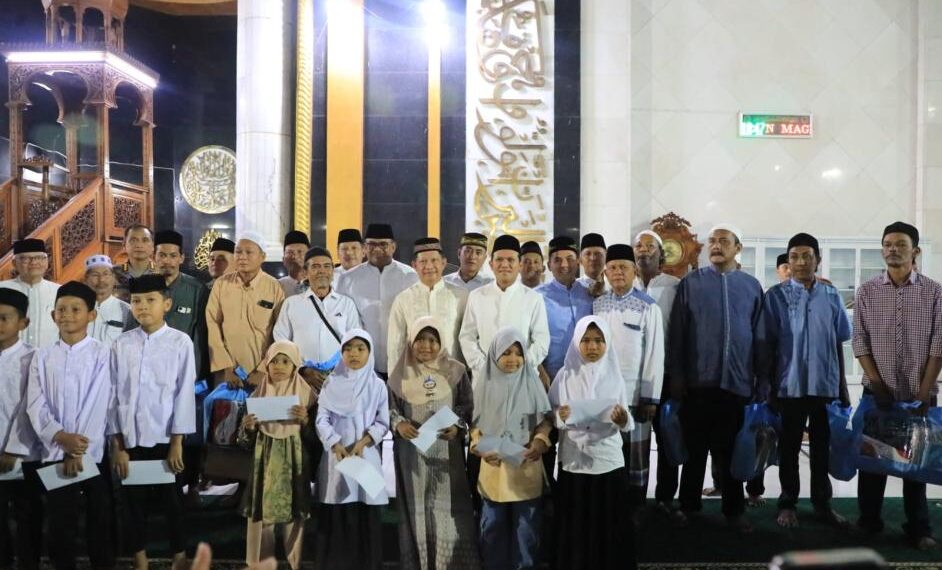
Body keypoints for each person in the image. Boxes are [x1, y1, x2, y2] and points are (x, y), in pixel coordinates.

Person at [852, 221, 941, 550]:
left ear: (914, 251)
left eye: (900, 244)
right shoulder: (867, 291)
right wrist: (877, 384)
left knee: (916, 462)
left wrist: (924, 390)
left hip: (919, 394)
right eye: (887, 244)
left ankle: (918, 527)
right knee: (873, 460)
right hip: (877, 392)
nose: (892, 249)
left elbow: (938, 346)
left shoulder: (934, 292)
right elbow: (859, 342)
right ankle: (868, 522)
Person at [670, 224, 763, 532]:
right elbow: (678, 334)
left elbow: (759, 336)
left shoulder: (751, 286)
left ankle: (733, 512)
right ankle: (689, 508)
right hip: (698, 384)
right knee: (695, 451)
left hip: (735, 384)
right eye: (712, 241)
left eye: (724, 241)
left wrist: (760, 380)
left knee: (729, 452)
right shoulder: (691, 284)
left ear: (738, 248)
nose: (716, 245)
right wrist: (678, 376)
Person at [758, 233, 850, 530]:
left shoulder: (832, 295)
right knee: (789, 448)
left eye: (806, 256)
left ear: (818, 260)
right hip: (789, 386)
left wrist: (843, 388)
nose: (799, 262)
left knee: (822, 449)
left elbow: (838, 341)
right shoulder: (775, 296)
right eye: (794, 256)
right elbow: (766, 344)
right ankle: (787, 504)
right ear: (788, 261)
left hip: (824, 386)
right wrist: (767, 386)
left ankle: (823, 505)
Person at [25, 281, 115, 570]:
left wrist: (77, 448)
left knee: (99, 518)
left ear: (91, 315)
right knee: (60, 521)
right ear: (53, 316)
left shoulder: (103, 354)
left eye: (76, 309)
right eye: (61, 309)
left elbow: (100, 402)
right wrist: (59, 436)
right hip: (54, 450)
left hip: (91, 452)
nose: (67, 315)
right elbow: (35, 403)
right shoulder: (42, 355)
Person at [110, 274, 196, 569]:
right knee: (132, 504)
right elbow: (113, 395)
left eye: (150, 300)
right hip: (131, 439)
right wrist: (118, 445)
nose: (143, 307)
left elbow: (184, 393)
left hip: (165, 439)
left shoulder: (180, 342)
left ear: (167, 304)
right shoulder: (121, 344)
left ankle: (180, 557)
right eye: (136, 301)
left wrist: (177, 442)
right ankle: (140, 560)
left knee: (173, 503)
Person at [388, 317, 480, 570]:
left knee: (448, 508)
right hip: (412, 454)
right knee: (418, 509)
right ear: (411, 341)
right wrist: (399, 424)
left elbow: (467, 407)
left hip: (446, 453)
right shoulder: (399, 373)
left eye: (432, 340)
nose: (426, 346)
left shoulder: (457, 371)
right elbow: (390, 409)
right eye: (420, 339)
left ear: (441, 342)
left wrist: (458, 427)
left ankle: (451, 564)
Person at [549, 316, 635, 570]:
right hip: (575, 462)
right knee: (577, 528)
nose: (592, 347)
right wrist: (559, 417)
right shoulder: (565, 376)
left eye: (598, 340)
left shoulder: (615, 375)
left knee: (608, 527)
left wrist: (623, 420)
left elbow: (626, 420)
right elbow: (550, 415)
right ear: (576, 342)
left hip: (607, 462)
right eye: (586, 340)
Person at [471, 327, 552, 570]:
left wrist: (539, 442)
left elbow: (544, 423)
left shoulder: (532, 382)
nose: (512, 359)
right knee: (492, 528)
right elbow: (475, 429)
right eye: (505, 353)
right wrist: (480, 448)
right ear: (494, 355)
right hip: (493, 469)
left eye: (518, 353)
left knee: (526, 531)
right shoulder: (483, 385)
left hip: (525, 468)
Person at [593, 244, 663, 511]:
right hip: (604, 396)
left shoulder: (648, 307)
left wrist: (650, 397)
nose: (618, 272)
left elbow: (655, 354)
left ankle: (635, 511)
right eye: (612, 268)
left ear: (634, 270)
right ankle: (609, 509)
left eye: (623, 267)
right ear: (606, 273)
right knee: (608, 455)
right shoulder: (598, 305)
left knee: (636, 460)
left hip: (635, 397)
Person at [238, 341, 316, 570]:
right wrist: (249, 427)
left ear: (295, 366)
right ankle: (259, 563)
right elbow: (244, 442)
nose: (279, 366)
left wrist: (304, 421)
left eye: (286, 361)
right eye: (274, 361)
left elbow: (315, 440)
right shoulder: (258, 394)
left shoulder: (308, 396)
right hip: (265, 461)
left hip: (295, 460)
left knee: (296, 512)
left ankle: (295, 561)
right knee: (261, 513)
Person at [315, 329, 390, 570]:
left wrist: (364, 442)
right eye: (348, 349)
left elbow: (383, 421)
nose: (354, 354)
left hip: (365, 457)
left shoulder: (377, 385)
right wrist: (334, 442)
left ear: (369, 352)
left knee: (366, 514)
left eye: (360, 348)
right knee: (339, 513)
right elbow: (321, 418)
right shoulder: (331, 382)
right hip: (337, 458)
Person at [631, 231, 682, 518]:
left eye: (650, 245)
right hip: (630, 380)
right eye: (639, 245)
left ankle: (665, 497)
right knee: (634, 442)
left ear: (660, 253)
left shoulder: (675, 285)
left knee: (666, 439)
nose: (644, 250)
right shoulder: (624, 283)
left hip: (665, 376)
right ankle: (632, 498)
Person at [459, 235, 550, 386]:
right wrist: (484, 366)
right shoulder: (476, 296)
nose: (504, 264)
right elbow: (466, 337)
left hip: (523, 379)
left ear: (520, 264)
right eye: (499, 260)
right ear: (491, 264)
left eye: (510, 260)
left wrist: (520, 364)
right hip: (485, 379)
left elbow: (542, 341)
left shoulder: (533, 298)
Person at [336, 224, 418, 377]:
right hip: (362, 361)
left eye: (383, 244)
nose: (377, 248)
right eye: (372, 244)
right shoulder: (348, 279)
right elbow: (342, 320)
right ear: (365, 248)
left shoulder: (410, 277)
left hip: (403, 359)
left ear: (393, 247)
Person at [206, 236, 285, 389]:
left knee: (260, 413)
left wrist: (263, 369)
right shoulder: (221, 284)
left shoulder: (274, 287)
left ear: (263, 257)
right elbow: (212, 324)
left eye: (249, 252)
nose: (242, 257)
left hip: (263, 374)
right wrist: (226, 368)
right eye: (238, 252)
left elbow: (281, 332)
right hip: (227, 373)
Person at [274, 246, 360, 384]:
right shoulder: (292, 304)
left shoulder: (346, 304)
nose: (322, 271)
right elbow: (281, 342)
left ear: (333, 271)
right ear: (305, 272)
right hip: (301, 379)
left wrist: (342, 369)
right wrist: (302, 370)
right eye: (315, 266)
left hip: (339, 378)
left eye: (327, 266)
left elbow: (355, 341)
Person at [0, 289, 42, 570]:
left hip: (24, 453)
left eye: (4, 318)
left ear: (23, 323)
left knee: (29, 515)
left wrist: (13, 448)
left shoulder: (34, 358)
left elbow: (32, 407)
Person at [388, 238, 468, 369]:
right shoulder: (403, 299)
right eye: (423, 262)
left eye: (434, 261)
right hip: (415, 376)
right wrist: (395, 383)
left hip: (451, 374)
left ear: (443, 263)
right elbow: (395, 346)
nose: (429, 266)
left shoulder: (461, 296)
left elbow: (467, 339)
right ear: (414, 265)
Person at [536, 236, 594, 380]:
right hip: (551, 375)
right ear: (549, 265)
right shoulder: (537, 296)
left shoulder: (591, 294)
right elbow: (529, 337)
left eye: (570, 259)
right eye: (557, 260)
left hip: (588, 374)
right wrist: (540, 371)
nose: (564, 264)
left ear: (578, 262)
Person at [0, 239, 59, 348]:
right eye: (25, 258)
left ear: (46, 262)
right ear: (14, 263)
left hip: (47, 360)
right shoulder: (2, 289)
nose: (33, 262)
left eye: (39, 257)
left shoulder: (59, 292)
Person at [84, 255, 130, 349]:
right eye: (95, 275)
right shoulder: (77, 309)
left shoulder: (127, 310)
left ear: (113, 279)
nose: (101, 280)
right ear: (86, 279)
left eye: (106, 274)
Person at [114, 224, 156, 301]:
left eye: (145, 240)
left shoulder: (162, 273)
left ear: (153, 246)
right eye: (133, 240)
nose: (139, 245)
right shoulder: (112, 273)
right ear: (124, 245)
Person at [279, 231, 311, 297]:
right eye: (290, 252)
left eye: (300, 252)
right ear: (283, 260)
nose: (295, 256)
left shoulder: (321, 284)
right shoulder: (276, 286)